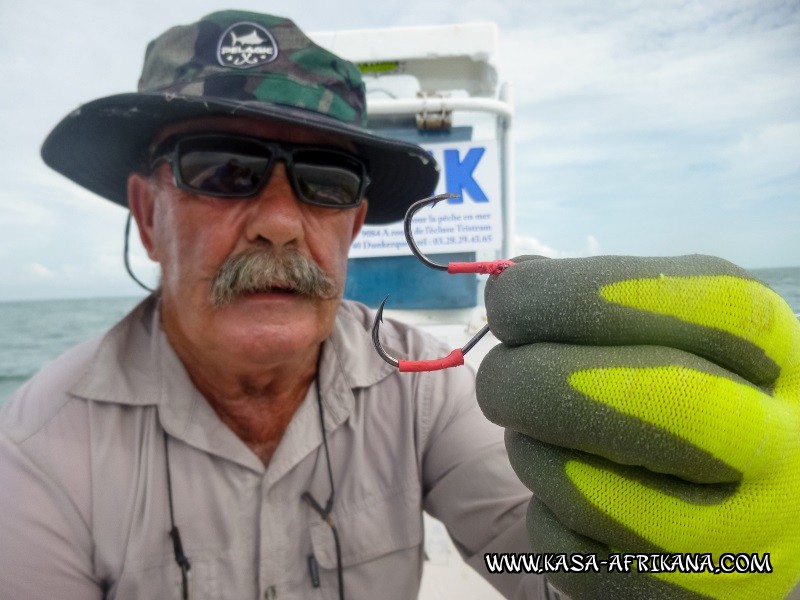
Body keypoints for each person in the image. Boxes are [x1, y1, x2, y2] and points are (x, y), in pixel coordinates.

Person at [1, 10, 799, 600]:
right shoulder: (36, 450)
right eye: (222, 168)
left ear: (351, 224)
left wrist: (708, 561)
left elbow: (548, 564)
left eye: (325, 182)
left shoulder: (424, 384)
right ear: (147, 214)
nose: (281, 223)